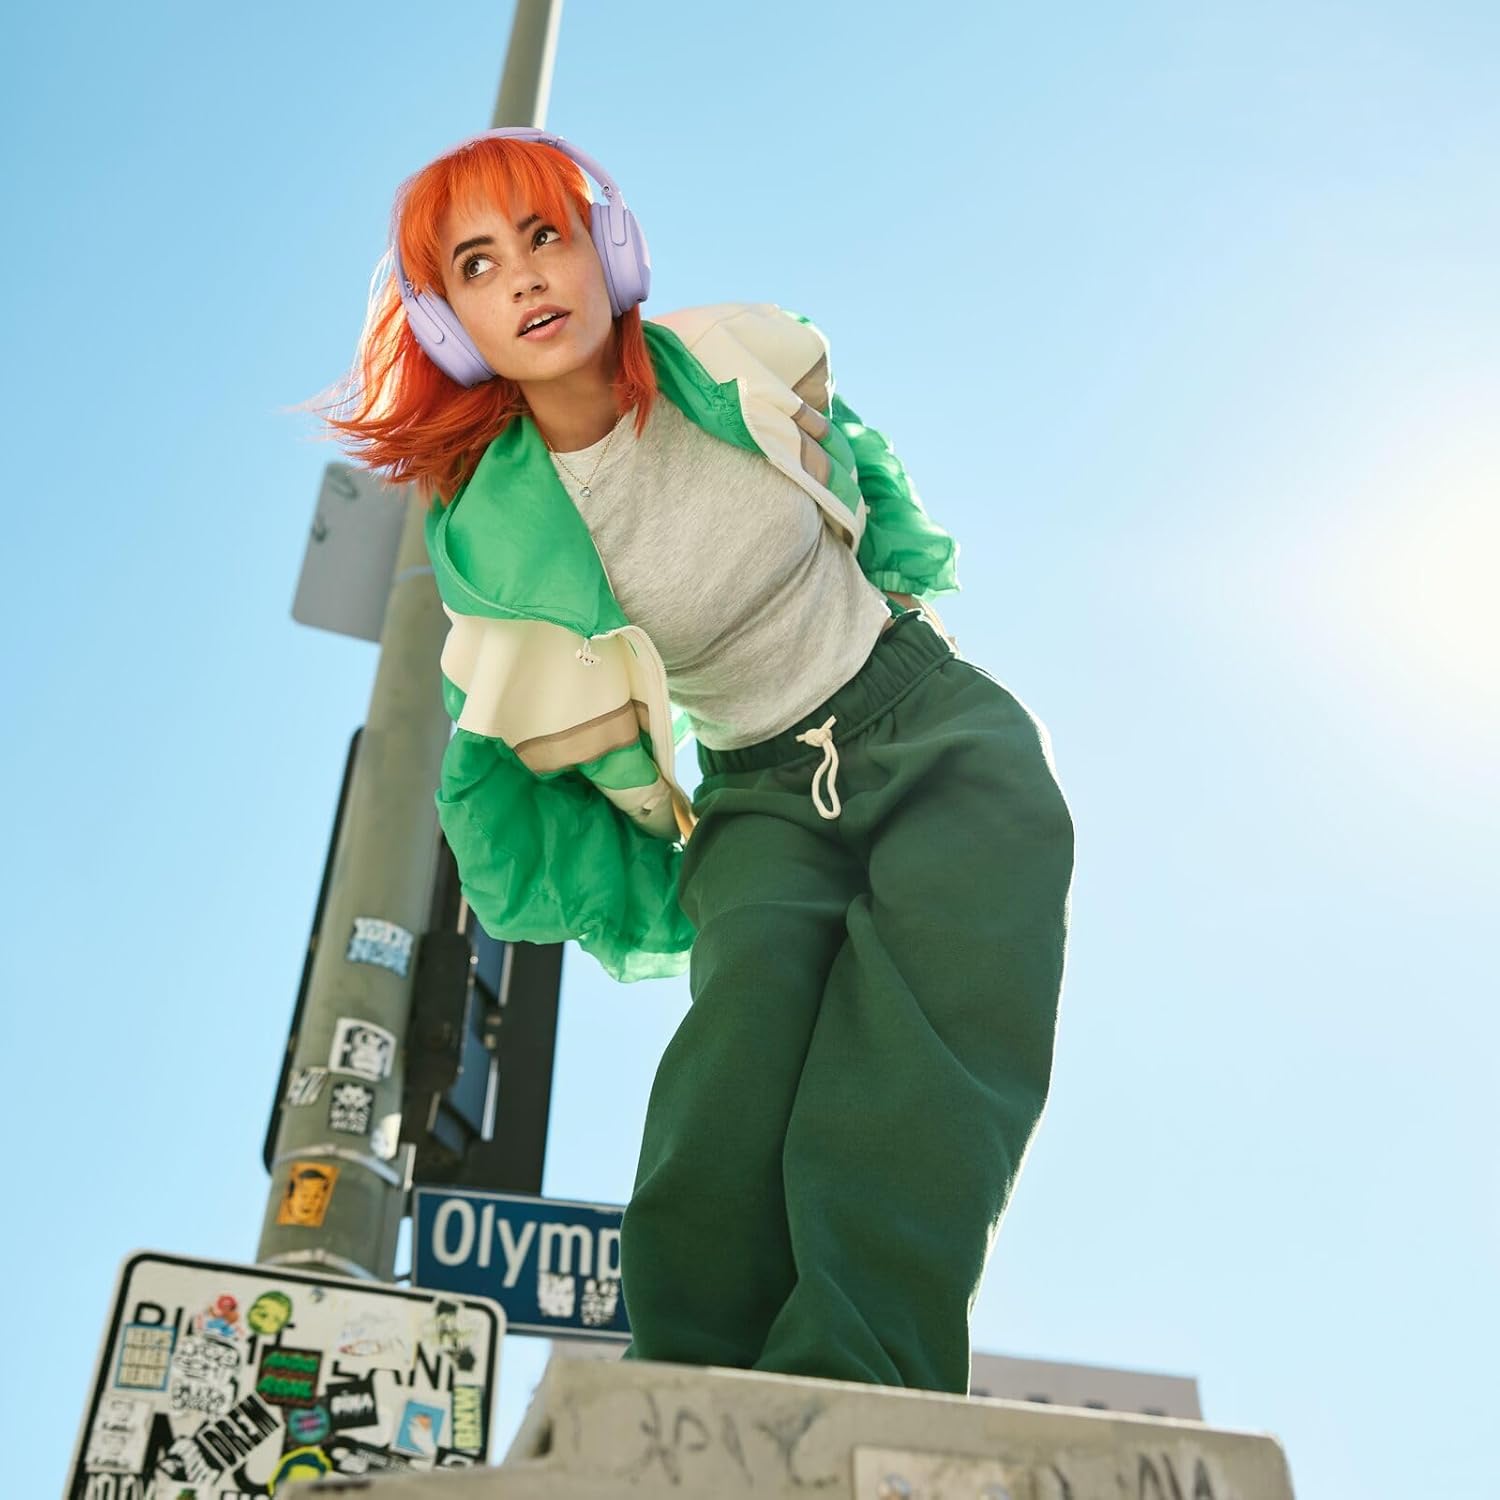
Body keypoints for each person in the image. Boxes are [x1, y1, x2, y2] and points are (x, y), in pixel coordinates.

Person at [317, 128, 1075, 1396]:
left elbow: (869, 484)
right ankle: (683, 1402)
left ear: (611, 247)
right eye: (478, 265)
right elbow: (502, 737)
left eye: (547, 235)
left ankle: (857, 1381)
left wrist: (899, 593)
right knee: (731, 1087)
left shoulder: (736, 355)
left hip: (927, 726)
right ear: (449, 324)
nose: (525, 277)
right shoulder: (495, 539)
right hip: (756, 796)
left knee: (921, 1075)